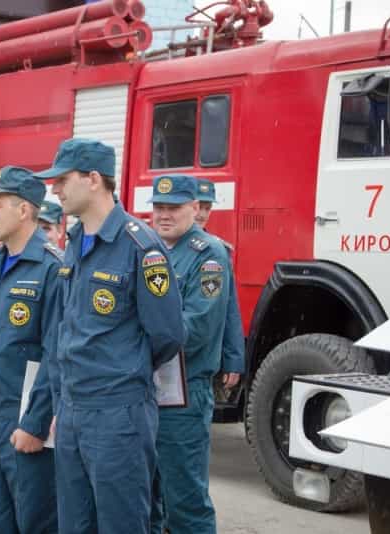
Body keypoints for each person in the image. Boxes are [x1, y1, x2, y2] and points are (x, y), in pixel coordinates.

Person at [33, 139, 185, 534]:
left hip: (118, 414)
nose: (55, 189)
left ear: (94, 179)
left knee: (122, 523)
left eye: (63, 179)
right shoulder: (74, 243)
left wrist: (122, 368)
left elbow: (167, 335)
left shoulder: (140, 246)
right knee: (74, 524)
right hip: (72, 409)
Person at [0, 167, 60, 534]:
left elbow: (56, 354)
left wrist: (35, 423)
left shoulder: (52, 269)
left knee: (35, 522)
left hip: (26, 425)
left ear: (23, 211)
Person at [149, 175, 231, 534]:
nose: (164, 215)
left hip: (183, 392)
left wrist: (133, 344)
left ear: (194, 209)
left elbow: (198, 326)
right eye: (159, 207)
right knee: (149, 496)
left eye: (174, 207)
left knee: (184, 500)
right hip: (145, 387)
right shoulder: (149, 249)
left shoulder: (207, 254)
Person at [194, 179, 244, 390]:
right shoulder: (154, 244)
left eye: (208, 208)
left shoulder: (217, 252)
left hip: (200, 359)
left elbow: (229, 308)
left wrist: (233, 359)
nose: (203, 214)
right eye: (198, 207)